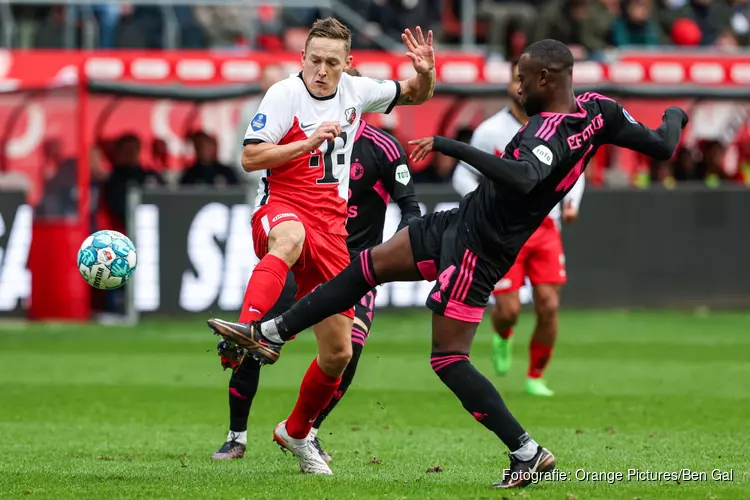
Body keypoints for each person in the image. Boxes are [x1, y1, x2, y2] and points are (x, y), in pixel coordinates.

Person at [207, 39, 688, 488]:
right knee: (364, 269)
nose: (516, 89)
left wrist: (449, 144)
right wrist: (675, 111)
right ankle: (268, 335)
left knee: (449, 358)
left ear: (544, 78)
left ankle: (527, 453)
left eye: (521, 79)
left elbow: (522, 176)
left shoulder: (548, 130)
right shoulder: (599, 111)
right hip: (459, 221)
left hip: (479, 249)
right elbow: (663, 143)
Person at [210, 18, 436, 475]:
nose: (322, 70)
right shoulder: (282, 95)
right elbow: (251, 157)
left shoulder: (356, 91)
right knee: (289, 237)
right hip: (283, 207)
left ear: (347, 65)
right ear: (302, 59)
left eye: (332, 62)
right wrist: (308, 142)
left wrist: (426, 72)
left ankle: (295, 433)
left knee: (338, 353)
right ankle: (250, 331)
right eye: (315, 60)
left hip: (334, 234)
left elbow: (416, 92)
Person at [452, 59, 585, 396]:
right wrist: (482, 201)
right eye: (516, 80)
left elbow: (575, 169)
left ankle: (535, 375)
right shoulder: (490, 131)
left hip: (545, 227)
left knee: (549, 305)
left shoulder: (558, 126)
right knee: (508, 309)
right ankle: (503, 334)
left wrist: (572, 202)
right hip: (504, 231)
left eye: (524, 79)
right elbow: (462, 173)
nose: (520, 86)